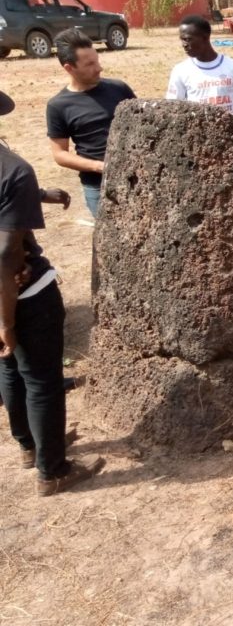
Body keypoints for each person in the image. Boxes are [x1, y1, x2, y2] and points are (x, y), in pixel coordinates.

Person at [1, 89, 104, 495]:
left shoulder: (16, 176)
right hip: (22, 293)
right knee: (41, 378)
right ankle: (54, 470)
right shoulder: (13, 169)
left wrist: (39, 195)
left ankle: (29, 445)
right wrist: (6, 321)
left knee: (10, 368)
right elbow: (7, 253)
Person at [46, 28, 136, 218]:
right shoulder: (58, 106)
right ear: (69, 68)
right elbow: (60, 154)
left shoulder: (119, 88)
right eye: (89, 64)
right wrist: (99, 166)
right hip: (98, 187)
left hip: (136, 179)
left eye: (97, 60)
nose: (99, 68)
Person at [166, 15, 233, 118]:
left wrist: (226, 123)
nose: (184, 44)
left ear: (205, 37)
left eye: (188, 39)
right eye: (182, 40)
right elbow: (173, 109)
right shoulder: (180, 71)